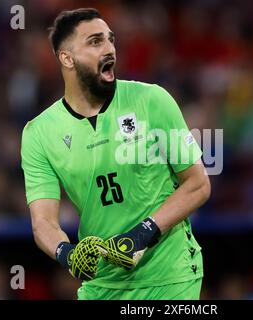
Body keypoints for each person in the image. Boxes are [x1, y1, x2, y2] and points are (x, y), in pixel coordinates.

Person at [20, 8, 210, 300]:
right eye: (95, 42)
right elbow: (43, 222)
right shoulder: (39, 133)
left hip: (170, 276)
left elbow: (197, 184)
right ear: (67, 58)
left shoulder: (152, 101)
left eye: (111, 40)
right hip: (102, 284)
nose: (109, 49)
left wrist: (142, 234)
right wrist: (67, 254)